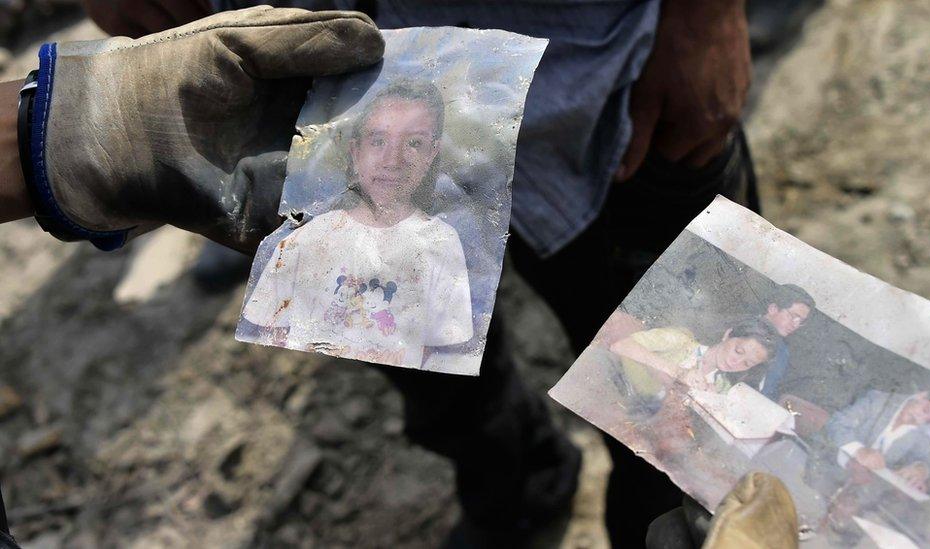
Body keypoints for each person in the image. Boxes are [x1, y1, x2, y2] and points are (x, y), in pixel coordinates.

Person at [13, 0, 762, 546]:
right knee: (410, 342)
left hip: (601, 82)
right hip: (314, 77)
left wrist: (704, 13)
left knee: (690, 422)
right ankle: (518, 490)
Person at [240, 80, 473, 369]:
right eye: (377, 141)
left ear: (432, 152)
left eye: (414, 143)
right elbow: (270, 335)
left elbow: (444, 349)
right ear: (355, 150)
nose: (393, 160)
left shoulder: (442, 242)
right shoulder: (305, 241)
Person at [610, 318, 781, 397]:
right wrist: (677, 372)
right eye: (738, 351)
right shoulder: (681, 340)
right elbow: (620, 346)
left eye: (747, 363)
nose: (736, 362)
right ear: (728, 335)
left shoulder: (722, 387)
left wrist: (712, 400)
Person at [826, 390, 930, 493]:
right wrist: (860, 451)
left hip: (867, 487)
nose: (927, 417)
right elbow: (837, 423)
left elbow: (924, 457)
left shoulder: (922, 432)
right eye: (926, 410)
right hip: (830, 464)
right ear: (920, 395)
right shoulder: (877, 401)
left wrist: (920, 469)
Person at [742, 284, 816, 400]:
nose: (795, 325)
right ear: (773, 309)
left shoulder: (783, 352)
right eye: (793, 316)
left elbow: (768, 392)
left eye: (800, 321)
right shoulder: (742, 328)